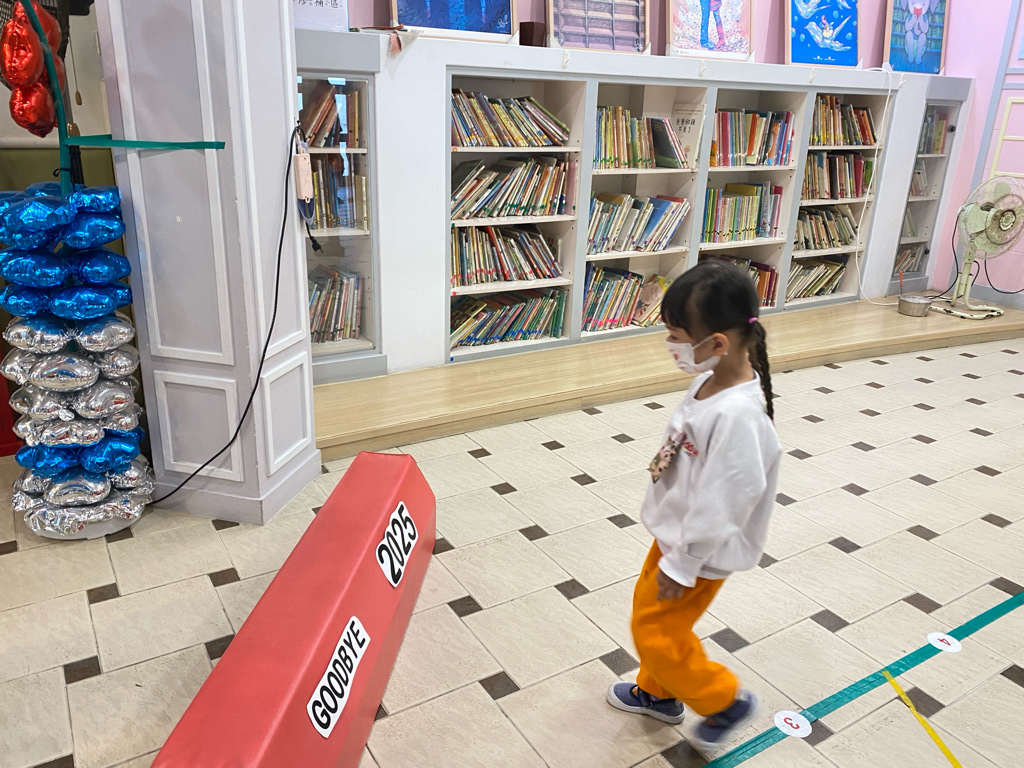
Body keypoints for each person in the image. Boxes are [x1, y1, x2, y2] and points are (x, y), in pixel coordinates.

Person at [606, 259, 781, 745]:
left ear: (718, 343)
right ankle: (657, 693)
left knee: (656, 632)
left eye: (676, 336)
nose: (670, 345)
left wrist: (684, 564)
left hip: (698, 553)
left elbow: (727, 500)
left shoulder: (739, 417)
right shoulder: (711, 379)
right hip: (676, 536)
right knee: (654, 619)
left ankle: (724, 701)